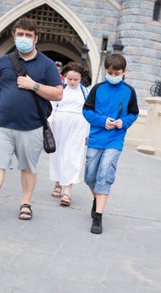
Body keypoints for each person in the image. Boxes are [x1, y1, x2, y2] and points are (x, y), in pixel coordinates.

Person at [0, 17, 63, 222]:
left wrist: (33, 85)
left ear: (35, 38)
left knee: (28, 168)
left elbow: (58, 93)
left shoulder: (46, 65)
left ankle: (26, 203)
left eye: (28, 35)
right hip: (2, 125)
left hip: (32, 127)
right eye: (20, 34)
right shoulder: (4, 61)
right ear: (14, 35)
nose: (24, 38)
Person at [83, 53, 139, 234]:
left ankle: (98, 217)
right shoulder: (97, 89)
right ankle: (96, 199)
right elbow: (86, 111)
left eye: (117, 72)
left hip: (115, 139)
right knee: (90, 176)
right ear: (106, 70)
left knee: (105, 174)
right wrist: (101, 120)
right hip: (96, 137)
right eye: (110, 72)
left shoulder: (129, 91)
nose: (113, 75)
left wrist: (124, 122)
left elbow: (133, 113)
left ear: (124, 72)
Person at [49, 62, 89, 206]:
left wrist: (88, 132)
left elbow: (88, 112)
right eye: (69, 79)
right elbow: (52, 107)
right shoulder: (60, 90)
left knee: (73, 156)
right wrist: (49, 123)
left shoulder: (85, 92)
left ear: (81, 78)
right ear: (65, 77)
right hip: (59, 125)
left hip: (78, 126)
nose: (72, 82)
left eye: (75, 79)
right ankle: (57, 183)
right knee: (58, 154)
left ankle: (68, 192)